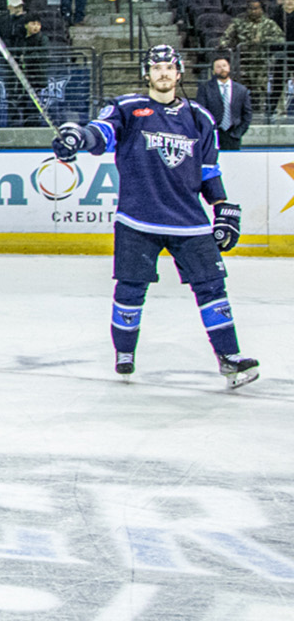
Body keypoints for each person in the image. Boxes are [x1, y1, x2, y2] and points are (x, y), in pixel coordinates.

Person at [52, 45, 257, 386]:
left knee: (212, 288)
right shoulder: (128, 108)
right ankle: (125, 353)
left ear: (179, 73)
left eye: (169, 67)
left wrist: (221, 207)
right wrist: (77, 136)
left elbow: (208, 171)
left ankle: (230, 357)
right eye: (156, 67)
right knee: (131, 288)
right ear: (147, 74)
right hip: (138, 219)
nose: (163, 73)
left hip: (189, 221)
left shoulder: (200, 118)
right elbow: (100, 133)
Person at [194, 56, 252, 152]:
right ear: (213, 70)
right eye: (218, 67)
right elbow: (201, 113)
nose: (222, 69)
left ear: (229, 67)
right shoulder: (205, 89)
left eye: (224, 66)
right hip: (213, 135)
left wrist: (238, 133)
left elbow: (247, 114)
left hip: (233, 136)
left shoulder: (241, 90)